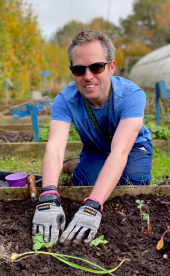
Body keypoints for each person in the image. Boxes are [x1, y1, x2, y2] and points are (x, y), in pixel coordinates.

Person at [32, 29, 153, 245]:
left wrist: (93, 205)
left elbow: (120, 151)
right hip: (96, 147)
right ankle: (74, 165)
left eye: (96, 67)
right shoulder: (65, 100)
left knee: (135, 183)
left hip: (132, 146)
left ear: (111, 67)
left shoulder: (132, 95)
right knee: (85, 183)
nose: (88, 76)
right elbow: (55, 146)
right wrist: (49, 194)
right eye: (79, 70)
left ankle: (78, 165)